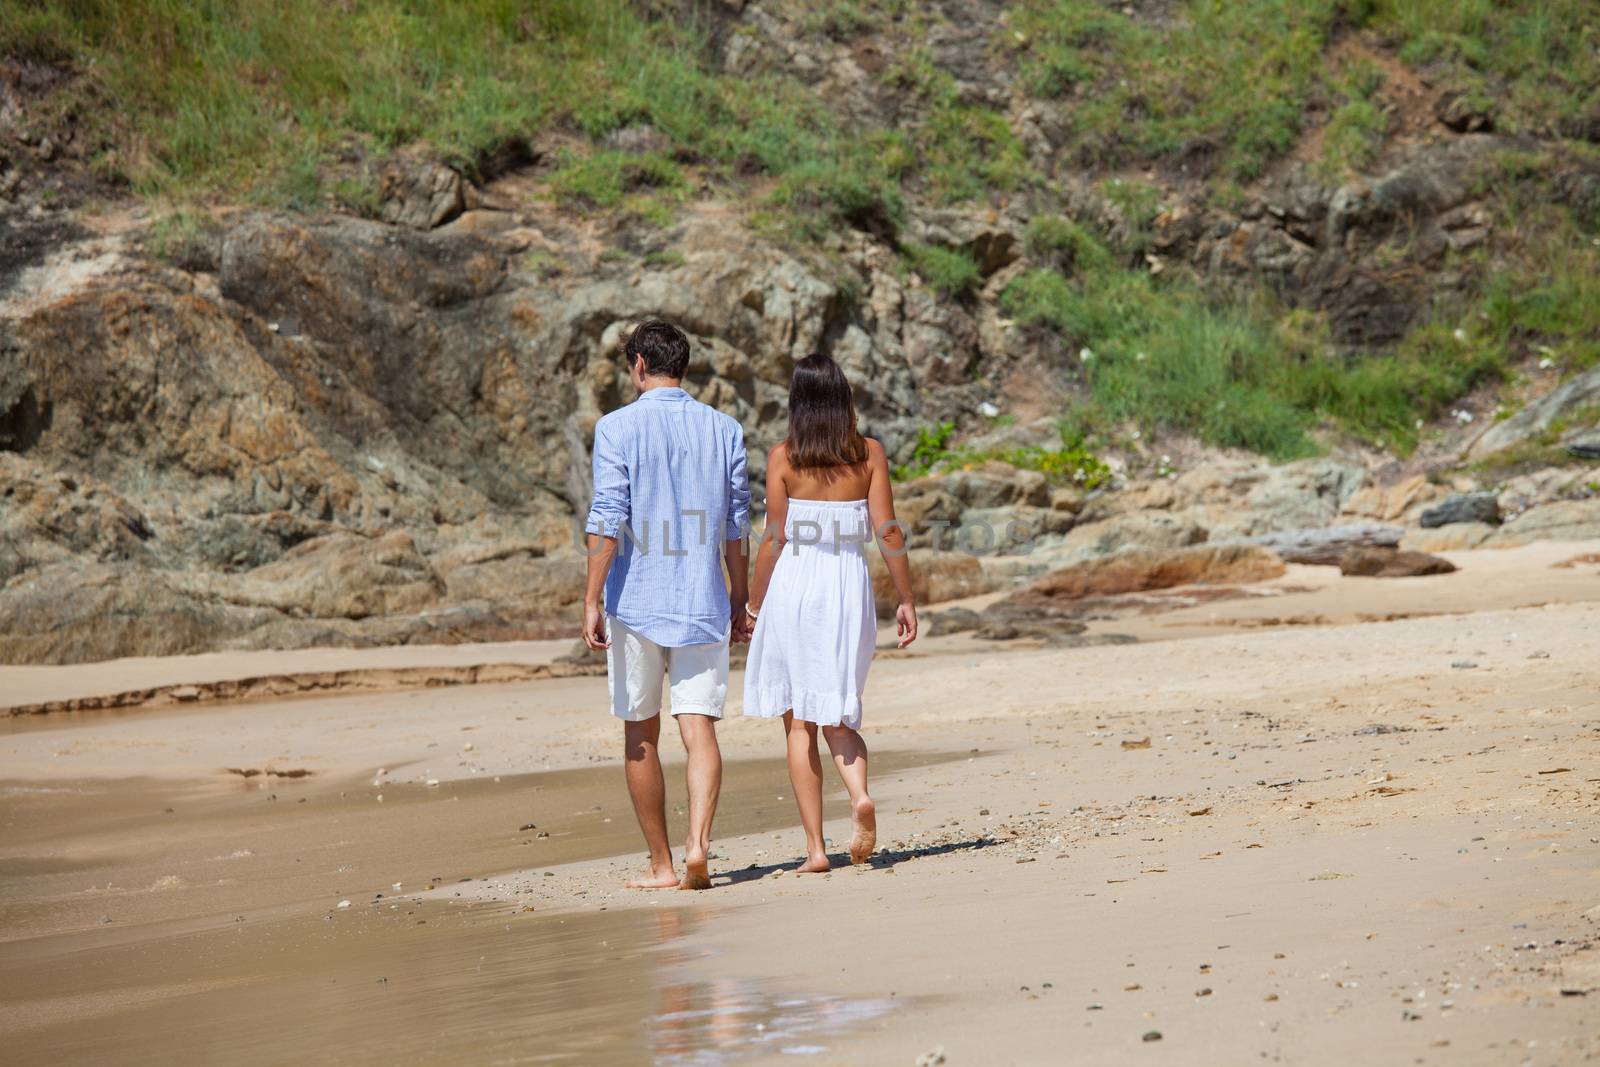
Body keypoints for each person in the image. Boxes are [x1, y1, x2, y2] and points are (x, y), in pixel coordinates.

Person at [582, 319, 751, 891]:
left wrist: (589, 599)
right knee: (699, 728)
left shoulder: (615, 428)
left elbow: (607, 519)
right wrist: (740, 597)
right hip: (702, 596)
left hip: (635, 600)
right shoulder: (725, 428)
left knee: (641, 731)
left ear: (637, 366)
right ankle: (699, 845)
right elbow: (735, 525)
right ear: (682, 365)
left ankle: (661, 865)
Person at [742, 353, 917, 873]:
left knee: (799, 723)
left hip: (795, 586)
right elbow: (888, 531)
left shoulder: (783, 458)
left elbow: (772, 540)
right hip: (846, 587)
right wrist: (905, 598)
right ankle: (858, 792)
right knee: (838, 711)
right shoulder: (868, 455)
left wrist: (752, 605)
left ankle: (816, 851)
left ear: (797, 402)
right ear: (844, 397)